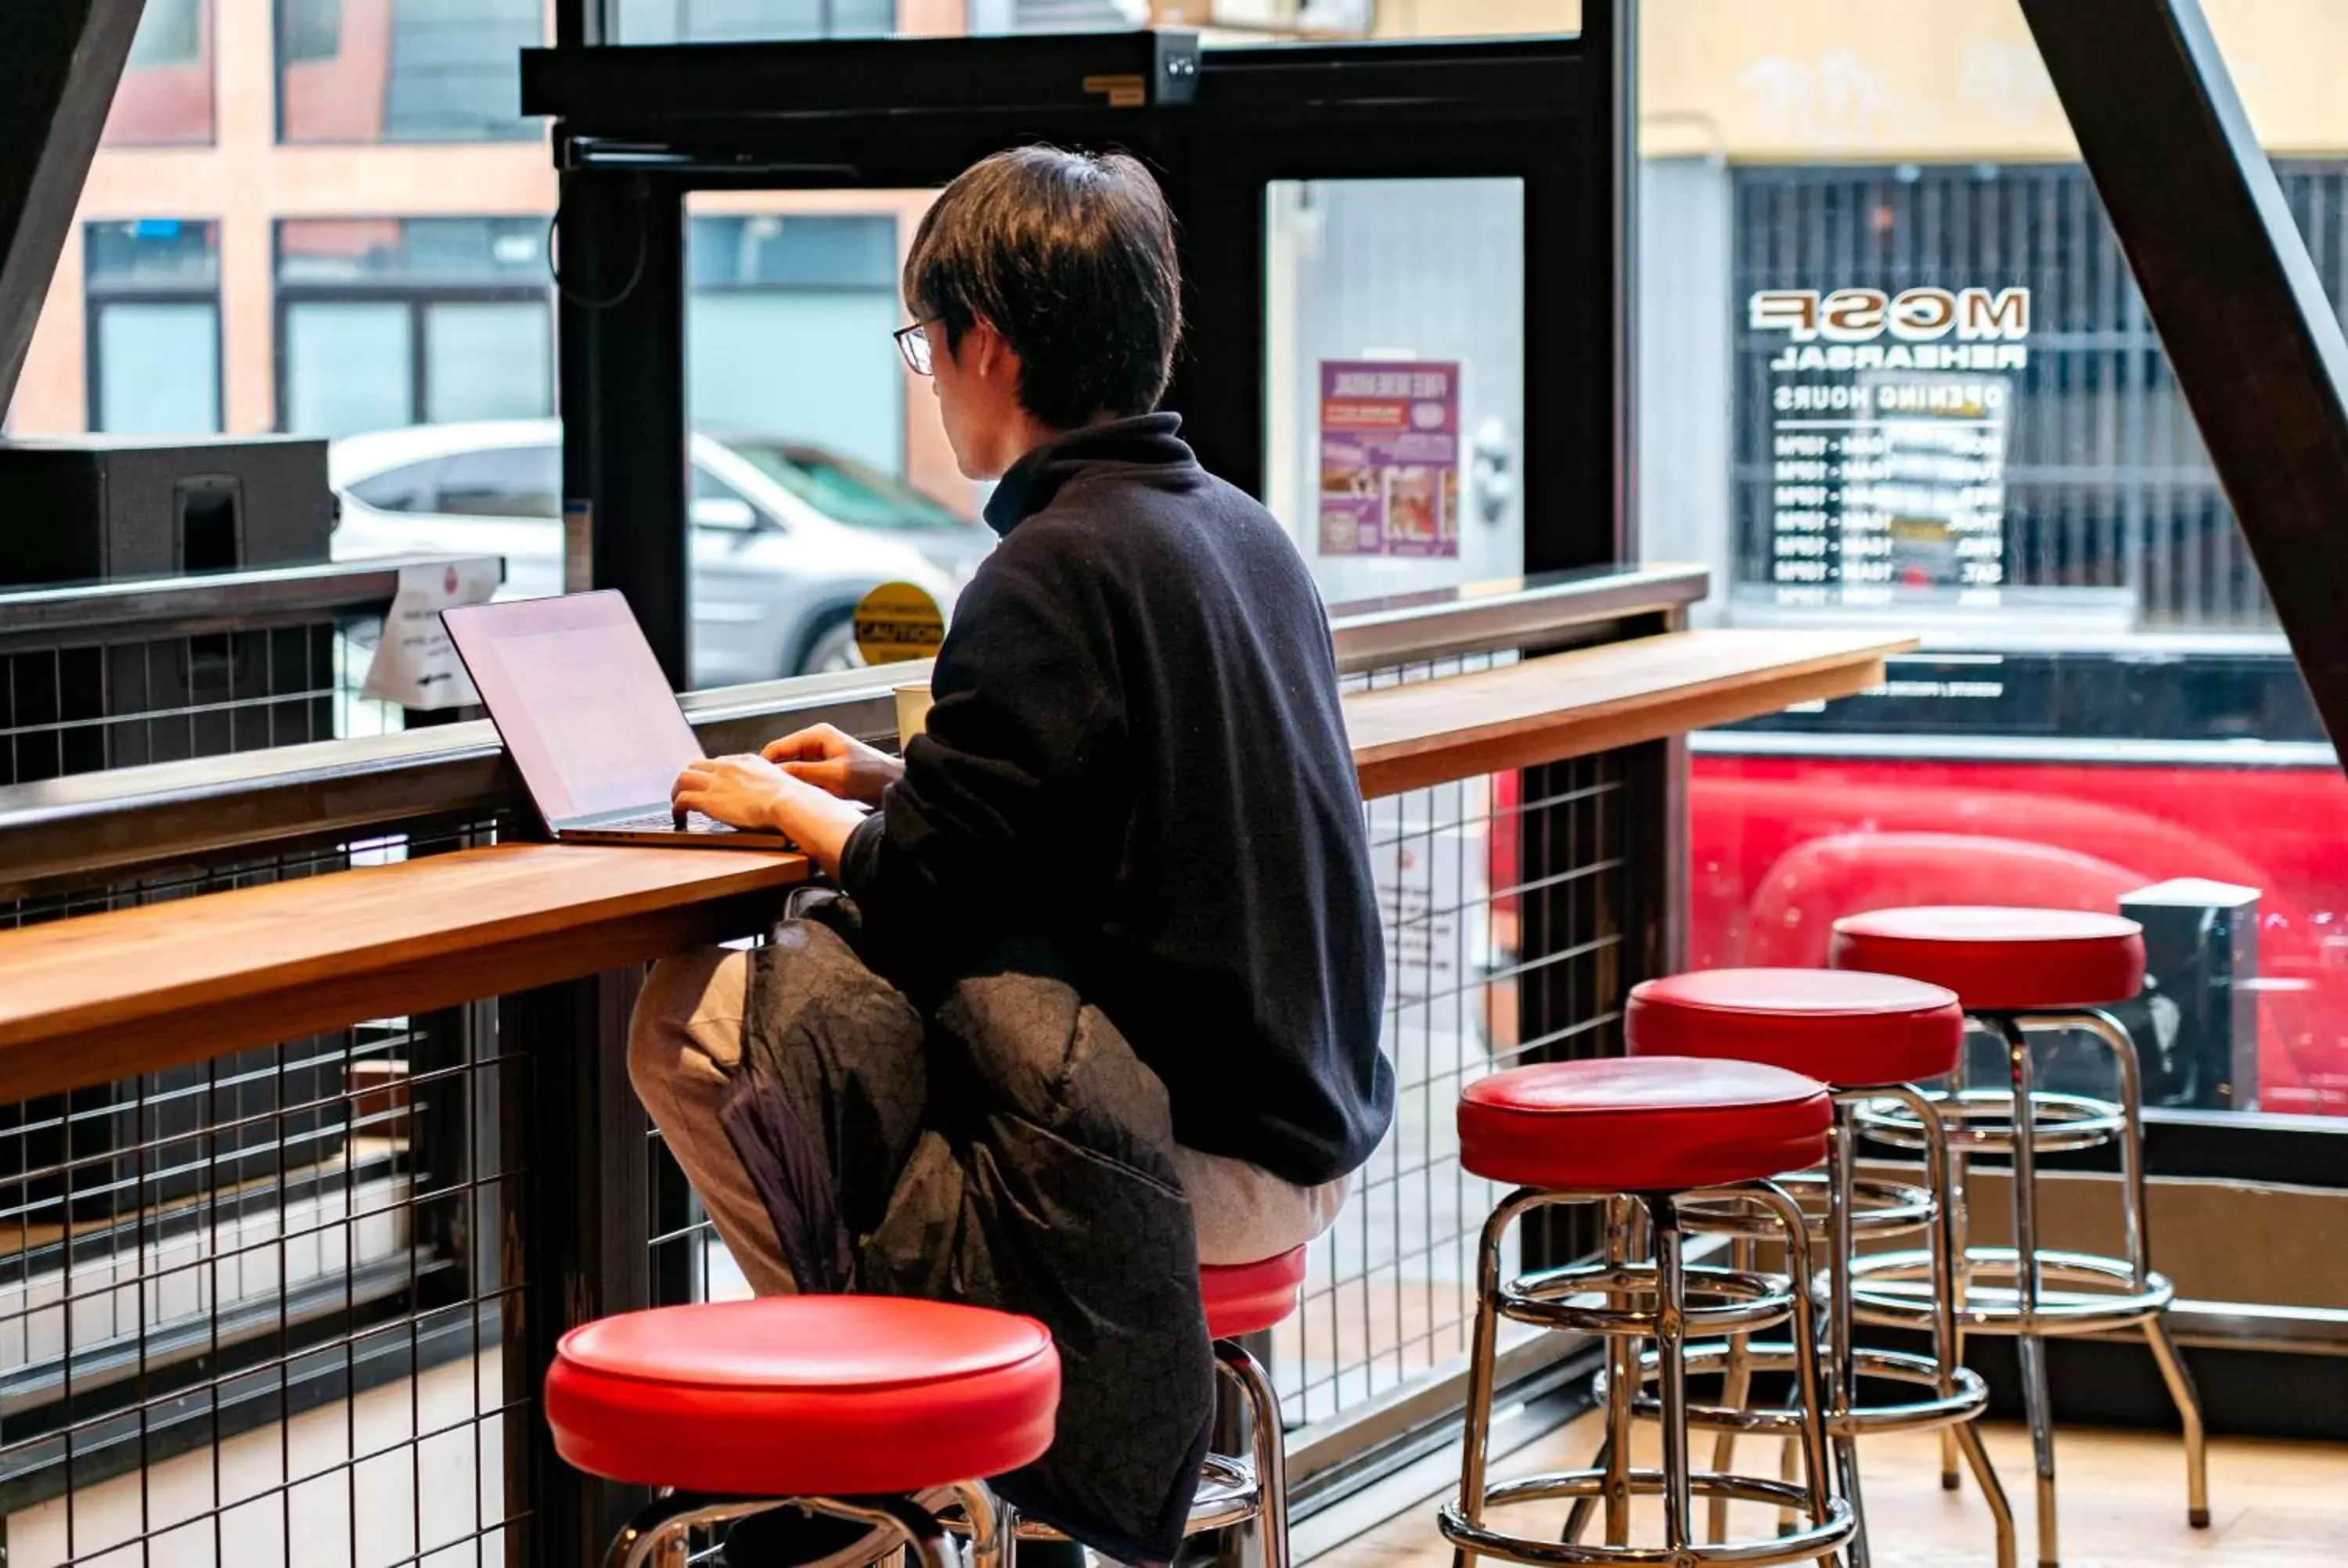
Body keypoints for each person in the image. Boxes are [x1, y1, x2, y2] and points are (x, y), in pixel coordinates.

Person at [632, 144, 1392, 1314]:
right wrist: (897, 781)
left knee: (690, 1023)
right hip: (1312, 1132)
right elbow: (1102, 808)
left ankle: (893, 1419)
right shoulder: (1242, 534)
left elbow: (932, 898)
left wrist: (791, 806)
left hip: (1185, 1160)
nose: (926, 377)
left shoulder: (1050, 565)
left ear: (984, 341)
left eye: (922, 342)